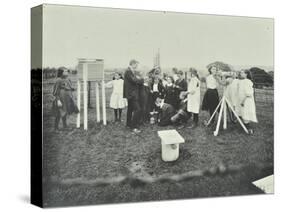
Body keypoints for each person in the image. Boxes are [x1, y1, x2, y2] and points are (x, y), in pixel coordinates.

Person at [123, 59, 144, 133]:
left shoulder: (130, 71)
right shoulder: (128, 71)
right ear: (132, 64)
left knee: (130, 109)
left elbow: (134, 80)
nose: (137, 66)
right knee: (138, 109)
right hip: (132, 94)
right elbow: (135, 80)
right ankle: (134, 127)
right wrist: (142, 80)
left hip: (130, 94)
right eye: (136, 64)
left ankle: (128, 124)